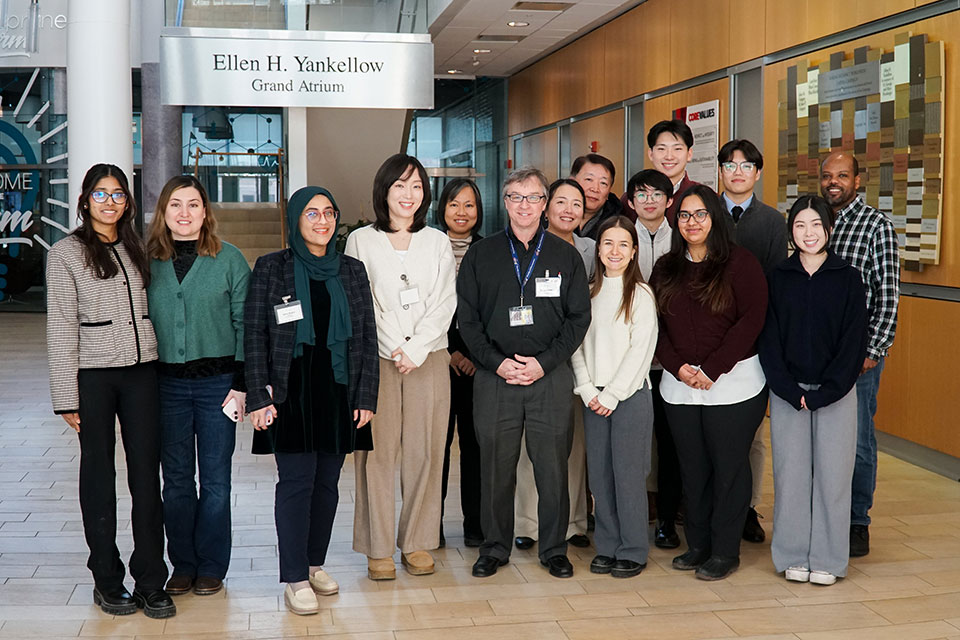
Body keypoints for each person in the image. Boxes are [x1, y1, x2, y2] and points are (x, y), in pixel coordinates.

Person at [46, 164, 175, 619]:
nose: (110, 202)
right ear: (85, 201)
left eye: (118, 194)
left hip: (142, 373)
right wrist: (66, 394)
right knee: (99, 478)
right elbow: (61, 324)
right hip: (94, 376)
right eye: (100, 195)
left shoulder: (137, 246)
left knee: (146, 477)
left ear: (128, 202)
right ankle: (106, 577)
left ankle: (151, 580)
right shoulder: (65, 253)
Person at [245, 186, 379, 615]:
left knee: (327, 485)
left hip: (340, 388)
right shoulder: (272, 268)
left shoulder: (352, 270)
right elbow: (253, 336)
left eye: (328, 212)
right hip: (291, 390)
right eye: (311, 213)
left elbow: (366, 336)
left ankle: (314, 563)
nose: (322, 221)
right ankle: (295, 577)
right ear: (296, 220)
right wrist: (258, 394)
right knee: (296, 483)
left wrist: (366, 396)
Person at [457, 167, 591, 579]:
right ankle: (494, 547)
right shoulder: (482, 255)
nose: (524, 206)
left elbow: (578, 319)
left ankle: (553, 548)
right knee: (495, 466)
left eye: (533, 197)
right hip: (494, 377)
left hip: (548, 377)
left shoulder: (564, 255)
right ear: (505, 201)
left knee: (552, 469)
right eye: (516, 196)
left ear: (545, 204)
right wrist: (496, 363)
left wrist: (543, 363)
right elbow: (468, 321)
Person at [346, 154, 457, 580]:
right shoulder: (361, 240)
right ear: (384, 191)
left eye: (416, 186)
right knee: (375, 455)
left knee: (426, 452)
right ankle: (377, 548)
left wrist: (417, 347)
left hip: (430, 359)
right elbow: (364, 302)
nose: (408, 194)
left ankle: (416, 541)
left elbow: (446, 300)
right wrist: (398, 346)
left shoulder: (437, 241)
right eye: (399, 185)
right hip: (378, 361)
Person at [650, 184, 768, 581]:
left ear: (715, 217)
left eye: (700, 214)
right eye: (684, 215)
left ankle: (724, 551)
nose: (692, 222)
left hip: (734, 385)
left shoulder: (741, 262)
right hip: (680, 385)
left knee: (728, 468)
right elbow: (656, 328)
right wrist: (678, 366)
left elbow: (751, 320)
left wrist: (712, 368)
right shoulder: (666, 267)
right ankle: (697, 545)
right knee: (693, 469)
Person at [146, 176, 250, 598]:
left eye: (193, 204)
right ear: (163, 212)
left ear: (206, 212)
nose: (184, 213)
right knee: (174, 481)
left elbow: (246, 325)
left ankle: (211, 565)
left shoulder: (230, 260)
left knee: (216, 482)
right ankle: (183, 564)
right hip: (165, 386)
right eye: (175, 205)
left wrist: (242, 387)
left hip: (219, 388)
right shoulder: (146, 261)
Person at [759, 195, 867, 586]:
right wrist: (788, 389)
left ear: (829, 229)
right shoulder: (778, 276)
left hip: (836, 394)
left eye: (816, 225)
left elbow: (855, 341)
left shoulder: (848, 277)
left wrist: (827, 390)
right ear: (791, 230)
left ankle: (828, 558)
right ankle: (791, 554)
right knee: (791, 476)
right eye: (800, 225)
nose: (808, 233)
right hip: (789, 394)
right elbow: (768, 337)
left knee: (833, 477)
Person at [819, 151, 899, 557]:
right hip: (816, 355)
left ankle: (856, 521)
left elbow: (887, 294)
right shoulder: (815, 221)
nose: (834, 182)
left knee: (858, 441)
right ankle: (824, 515)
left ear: (857, 179)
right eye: (828, 176)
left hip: (858, 359)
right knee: (823, 440)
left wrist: (873, 350)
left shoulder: (875, 226)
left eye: (842, 176)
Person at [572, 215, 658, 579]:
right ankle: (606, 545)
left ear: (634, 250)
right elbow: (574, 345)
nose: (615, 251)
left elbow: (641, 350)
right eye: (608, 243)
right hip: (593, 397)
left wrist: (613, 395)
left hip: (630, 398)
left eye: (624, 244)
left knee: (629, 475)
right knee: (600, 478)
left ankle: (633, 548)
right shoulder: (586, 292)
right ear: (598, 248)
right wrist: (589, 389)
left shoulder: (640, 294)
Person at [514, 178, 593, 552]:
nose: (568, 210)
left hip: (583, 363)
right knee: (534, 447)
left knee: (573, 448)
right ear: (546, 206)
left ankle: (574, 521)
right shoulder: (527, 247)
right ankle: (529, 524)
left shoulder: (594, 248)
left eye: (576, 204)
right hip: (538, 362)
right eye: (560, 201)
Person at [717, 138, 789, 545]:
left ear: (757, 173)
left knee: (751, 434)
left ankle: (747, 508)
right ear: (721, 171)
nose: (738, 171)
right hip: (708, 338)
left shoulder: (773, 221)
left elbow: (775, 281)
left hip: (755, 341)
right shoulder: (705, 213)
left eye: (746, 166)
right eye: (730, 164)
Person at [625, 169, 681, 550]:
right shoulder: (617, 236)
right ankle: (631, 512)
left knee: (671, 442)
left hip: (672, 361)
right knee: (634, 441)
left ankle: (667, 519)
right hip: (629, 362)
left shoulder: (683, 238)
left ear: (669, 200)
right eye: (641, 194)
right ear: (630, 202)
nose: (649, 200)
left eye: (657, 194)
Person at [437, 178, 485, 549]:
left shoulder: (491, 251)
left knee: (475, 447)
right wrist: (451, 351)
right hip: (436, 361)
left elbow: (494, 310)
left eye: (469, 205)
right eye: (455, 204)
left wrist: (471, 354)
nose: (462, 212)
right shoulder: (429, 247)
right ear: (443, 208)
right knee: (436, 446)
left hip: (479, 365)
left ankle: (475, 524)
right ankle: (429, 526)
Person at [647, 119, 698, 225]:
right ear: (651, 154)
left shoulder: (705, 196)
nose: (669, 157)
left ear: (689, 154)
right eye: (661, 149)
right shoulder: (634, 197)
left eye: (677, 149)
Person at [571, 153, 622, 240]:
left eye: (603, 183)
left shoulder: (617, 224)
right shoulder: (552, 214)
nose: (595, 189)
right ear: (572, 181)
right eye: (589, 179)